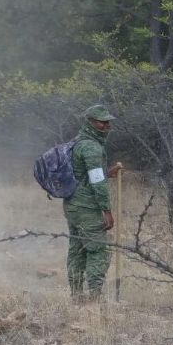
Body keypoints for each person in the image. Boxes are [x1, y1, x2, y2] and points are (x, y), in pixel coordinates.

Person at [64, 105, 122, 302]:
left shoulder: (77, 143)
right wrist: (106, 210)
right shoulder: (92, 147)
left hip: (72, 205)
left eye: (108, 121)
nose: (107, 125)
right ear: (90, 122)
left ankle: (76, 296)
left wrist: (107, 173)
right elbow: (96, 182)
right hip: (87, 208)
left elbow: (86, 176)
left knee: (77, 249)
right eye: (102, 122)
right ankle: (95, 297)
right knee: (97, 250)